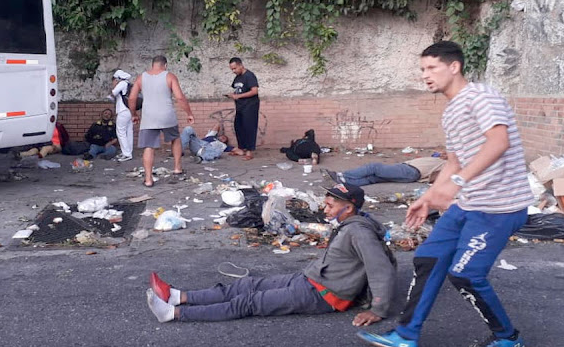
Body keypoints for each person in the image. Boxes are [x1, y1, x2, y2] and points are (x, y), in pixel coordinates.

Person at [357, 41, 535, 347]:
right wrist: (428, 198)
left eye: (432, 68)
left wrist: (458, 182)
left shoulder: (481, 96)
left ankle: (507, 337)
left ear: (454, 67)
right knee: (427, 258)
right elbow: (454, 161)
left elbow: (499, 142)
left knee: (466, 274)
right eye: (422, 69)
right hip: (467, 204)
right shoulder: (452, 110)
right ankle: (406, 335)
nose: (425, 75)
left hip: (498, 207)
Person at [145, 183, 396, 325]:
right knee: (247, 285)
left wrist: (379, 309)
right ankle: (178, 296)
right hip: (309, 280)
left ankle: (173, 313)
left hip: (324, 295)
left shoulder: (360, 233)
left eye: (331, 205)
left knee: (249, 302)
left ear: (349, 207)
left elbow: (380, 269)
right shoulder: (350, 226)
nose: (325, 208)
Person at [128, 55, 195, 187]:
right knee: (175, 138)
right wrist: (189, 113)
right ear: (165, 65)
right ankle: (177, 168)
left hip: (148, 116)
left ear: (152, 65)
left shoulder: (141, 78)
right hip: (167, 115)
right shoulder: (169, 76)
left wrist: (134, 114)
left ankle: (148, 179)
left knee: (148, 146)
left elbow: (131, 98)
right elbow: (180, 98)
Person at [322, 153, 447, 186]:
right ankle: (344, 182)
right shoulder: (441, 160)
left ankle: (342, 175)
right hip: (409, 170)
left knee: (374, 168)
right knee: (373, 178)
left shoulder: (449, 164)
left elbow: (442, 176)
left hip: (412, 171)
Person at [227, 57, 259, 160]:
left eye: (235, 68)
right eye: (232, 69)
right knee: (238, 127)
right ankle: (241, 148)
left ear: (241, 65)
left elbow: (254, 91)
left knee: (249, 127)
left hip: (250, 106)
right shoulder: (237, 77)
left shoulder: (249, 76)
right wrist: (232, 95)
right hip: (240, 107)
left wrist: (238, 96)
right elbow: (238, 90)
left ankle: (249, 152)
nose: (233, 71)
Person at [105, 69, 135, 162]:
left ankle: (126, 154)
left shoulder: (122, 84)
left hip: (123, 111)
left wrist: (113, 89)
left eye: (113, 80)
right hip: (129, 110)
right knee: (129, 131)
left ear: (117, 79)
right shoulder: (128, 84)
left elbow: (113, 94)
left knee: (121, 132)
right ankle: (128, 152)